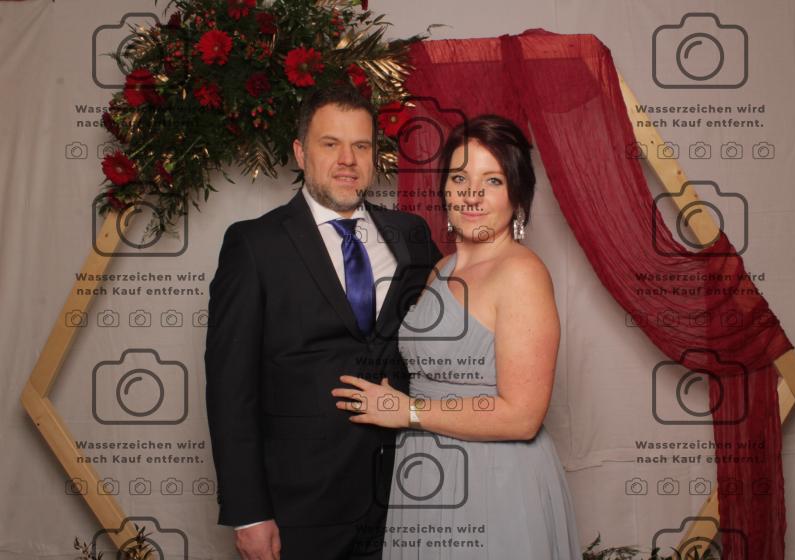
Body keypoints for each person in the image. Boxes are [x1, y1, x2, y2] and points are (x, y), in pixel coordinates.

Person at [205, 84, 443, 560]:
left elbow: (450, 331)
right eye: (330, 144)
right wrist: (249, 513)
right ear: (301, 152)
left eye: (361, 146)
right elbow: (230, 389)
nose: (347, 160)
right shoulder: (254, 245)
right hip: (301, 506)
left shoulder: (410, 234)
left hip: (409, 491)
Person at [331, 114, 584, 559]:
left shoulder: (521, 274)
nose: (472, 194)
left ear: (518, 195)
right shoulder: (440, 268)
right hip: (425, 471)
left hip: (494, 479)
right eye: (460, 178)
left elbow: (522, 416)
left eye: (492, 181)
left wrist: (408, 410)